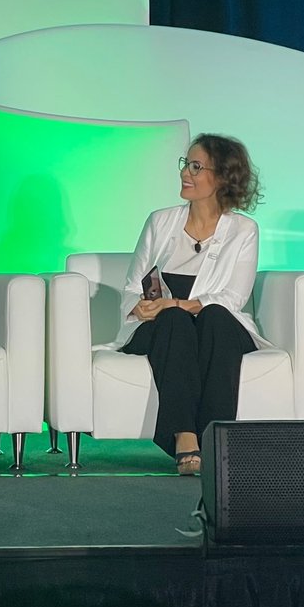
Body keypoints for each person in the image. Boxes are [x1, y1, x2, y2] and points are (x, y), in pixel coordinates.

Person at [117, 134, 266, 475]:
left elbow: (233, 298)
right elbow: (132, 285)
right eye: (185, 164)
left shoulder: (244, 230)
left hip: (218, 325)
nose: (186, 172)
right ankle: (185, 436)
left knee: (215, 315)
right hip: (162, 327)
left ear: (223, 176)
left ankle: (216, 440)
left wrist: (177, 303)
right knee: (173, 323)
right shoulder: (160, 221)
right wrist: (140, 307)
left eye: (196, 166)